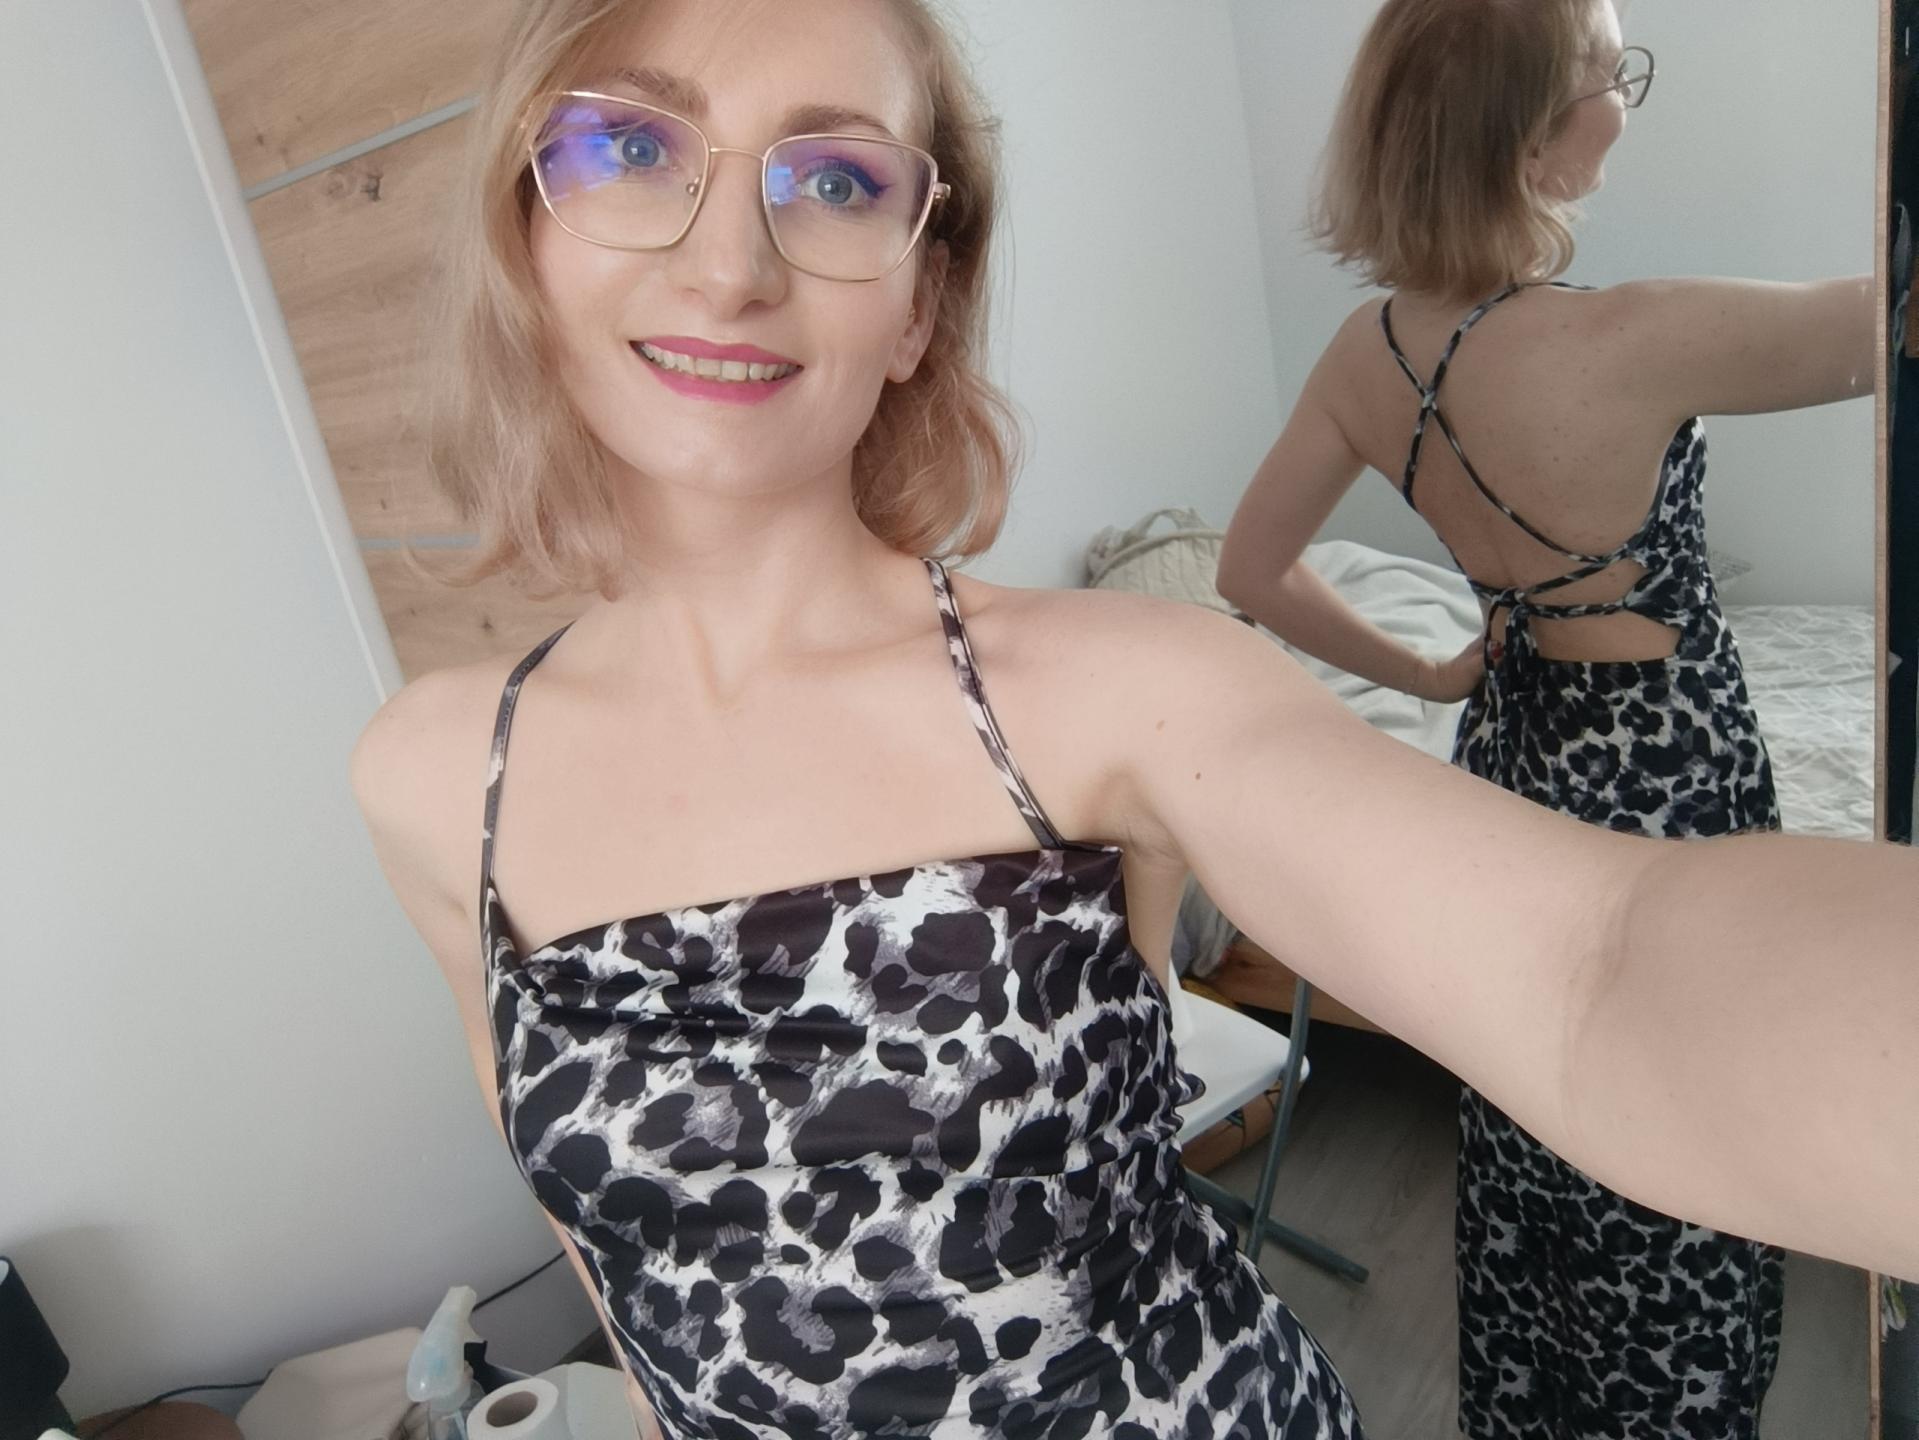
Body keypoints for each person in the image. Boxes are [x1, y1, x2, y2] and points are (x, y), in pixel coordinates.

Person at [351, 1, 1914, 1436]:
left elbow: (1598, 971)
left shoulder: (1126, 693)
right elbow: (624, 1257)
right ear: (525, 229)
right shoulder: (434, 781)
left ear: (919, 304)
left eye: (835, 181)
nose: (728, 265)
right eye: (632, 149)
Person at [1216, 2, 1876, 1437]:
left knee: (1528, 1104)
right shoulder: (1641, 335)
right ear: (1528, 131)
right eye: (1611, 72)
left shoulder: (1365, 353)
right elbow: (1883, 320)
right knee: (1683, 1113)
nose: (1626, 99)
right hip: (1672, 770)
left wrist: (1433, 677)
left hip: (1508, 754)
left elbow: (1249, 572)